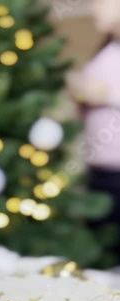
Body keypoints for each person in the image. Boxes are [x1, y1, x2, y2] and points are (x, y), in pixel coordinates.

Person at [67, 0, 120, 225]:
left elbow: (107, 93)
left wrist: (107, 95)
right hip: (100, 167)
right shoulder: (107, 50)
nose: (93, 7)